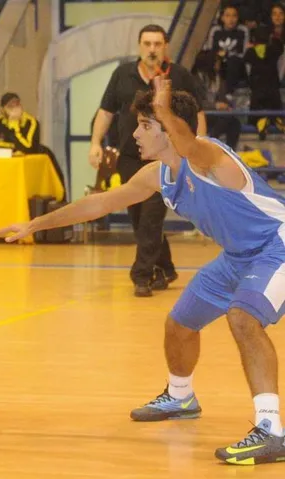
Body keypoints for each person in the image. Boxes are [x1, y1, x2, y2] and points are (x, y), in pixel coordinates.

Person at [0, 77, 285, 466]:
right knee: (179, 324)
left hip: (277, 246)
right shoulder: (157, 175)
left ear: (169, 129)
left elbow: (188, 143)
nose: (134, 134)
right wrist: (34, 224)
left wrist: (162, 107)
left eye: (145, 125)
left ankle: (271, 429)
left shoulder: (210, 157)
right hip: (237, 257)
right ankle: (181, 397)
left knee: (243, 318)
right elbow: (99, 204)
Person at [90, 24, 207, 297]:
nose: (152, 49)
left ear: (165, 46)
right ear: (139, 46)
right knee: (139, 219)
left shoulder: (179, 76)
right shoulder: (122, 74)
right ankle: (166, 267)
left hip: (166, 159)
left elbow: (198, 114)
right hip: (130, 158)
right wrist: (95, 143)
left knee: (151, 218)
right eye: (147, 43)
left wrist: (198, 148)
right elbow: (106, 112)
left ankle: (141, 275)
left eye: (157, 44)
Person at [0, 92, 66, 196]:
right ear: (2, 110)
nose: (15, 109)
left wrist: (15, 127)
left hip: (27, 171)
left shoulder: (31, 122)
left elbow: (28, 148)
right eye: (10, 107)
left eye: (17, 105)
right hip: (4, 170)